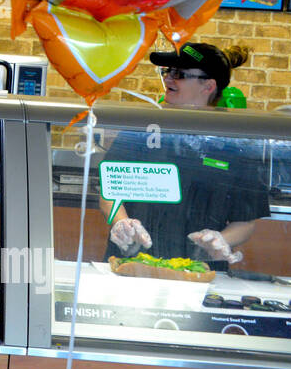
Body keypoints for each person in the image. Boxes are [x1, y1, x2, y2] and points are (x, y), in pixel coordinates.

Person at [103, 43, 267, 267]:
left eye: (179, 74)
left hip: (199, 269)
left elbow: (245, 221)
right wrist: (122, 224)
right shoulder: (144, 128)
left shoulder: (235, 143)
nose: (168, 79)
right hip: (134, 262)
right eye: (167, 71)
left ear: (208, 86)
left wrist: (220, 241)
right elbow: (108, 190)